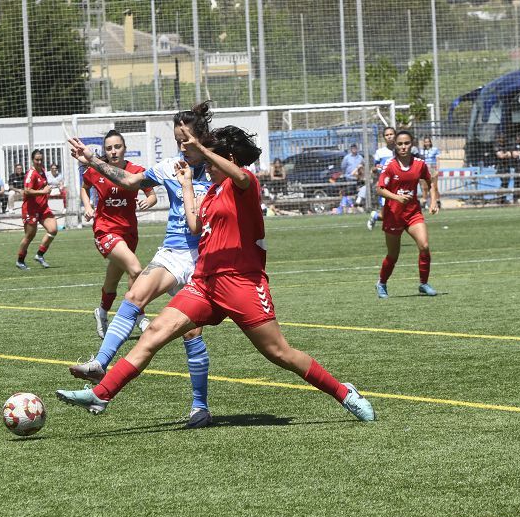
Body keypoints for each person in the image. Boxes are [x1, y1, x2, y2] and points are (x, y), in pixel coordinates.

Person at [56, 124, 376, 423]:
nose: (205, 167)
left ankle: (344, 392)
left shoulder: (245, 185)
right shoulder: (210, 192)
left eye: (211, 160)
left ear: (230, 159)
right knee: (154, 332)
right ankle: (101, 394)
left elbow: (237, 174)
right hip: (204, 284)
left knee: (280, 353)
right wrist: (184, 187)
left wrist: (204, 150)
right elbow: (195, 225)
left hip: (242, 285)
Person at [66, 102, 218, 428]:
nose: (182, 147)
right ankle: (100, 362)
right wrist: (92, 160)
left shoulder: (220, 170)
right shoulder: (168, 167)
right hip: (172, 253)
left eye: (187, 139)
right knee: (135, 295)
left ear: (201, 138)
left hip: (203, 260)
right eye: (178, 140)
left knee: (192, 333)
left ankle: (200, 406)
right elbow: (129, 181)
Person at [80, 130, 157, 338]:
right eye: (108, 148)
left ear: (124, 148)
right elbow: (84, 187)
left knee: (112, 281)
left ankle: (102, 313)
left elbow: (152, 195)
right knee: (135, 269)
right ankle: (140, 316)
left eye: (117, 147)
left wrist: (147, 202)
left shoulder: (135, 170)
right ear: (104, 151)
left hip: (129, 232)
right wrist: (88, 206)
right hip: (105, 231)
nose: (113, 152)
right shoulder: (97, 170)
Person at [375, 130, 440, 299]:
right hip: (393, 215)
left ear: (412, 144)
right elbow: (379, 189)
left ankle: (423, 283)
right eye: (400, 144)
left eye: (406, 143)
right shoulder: (390, 165)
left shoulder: (419, 164)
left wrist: (433, 201)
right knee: (393, 255)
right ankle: (381, 283)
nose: (403, 147)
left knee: (424, 246)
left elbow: (430, 181)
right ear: (395, 146)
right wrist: (397, 197)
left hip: (413, 213)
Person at [15, 149, 58, 270]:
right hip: (30, 209)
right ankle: (20, 260)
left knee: (53, 229)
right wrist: (43, 191)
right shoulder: (31, 173)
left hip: (43, 208)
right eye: (37, 160)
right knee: (30, 236)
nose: (39, 162)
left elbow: (42, 186)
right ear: (32, 160)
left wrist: (47, 188)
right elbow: (27, 190)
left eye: (41, 159)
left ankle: (39, 255)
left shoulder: (43, 171)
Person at [367, 126, 397, 231]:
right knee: (386, 215)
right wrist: (376, 169)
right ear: (384, 137)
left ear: (395, 135)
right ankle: (375, 216)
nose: (389, 137)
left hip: (398, 186)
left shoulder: (400, 150)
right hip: (385, 187)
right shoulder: (380, 152)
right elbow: (374, 168)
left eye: (391, 134)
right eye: (386, 135)